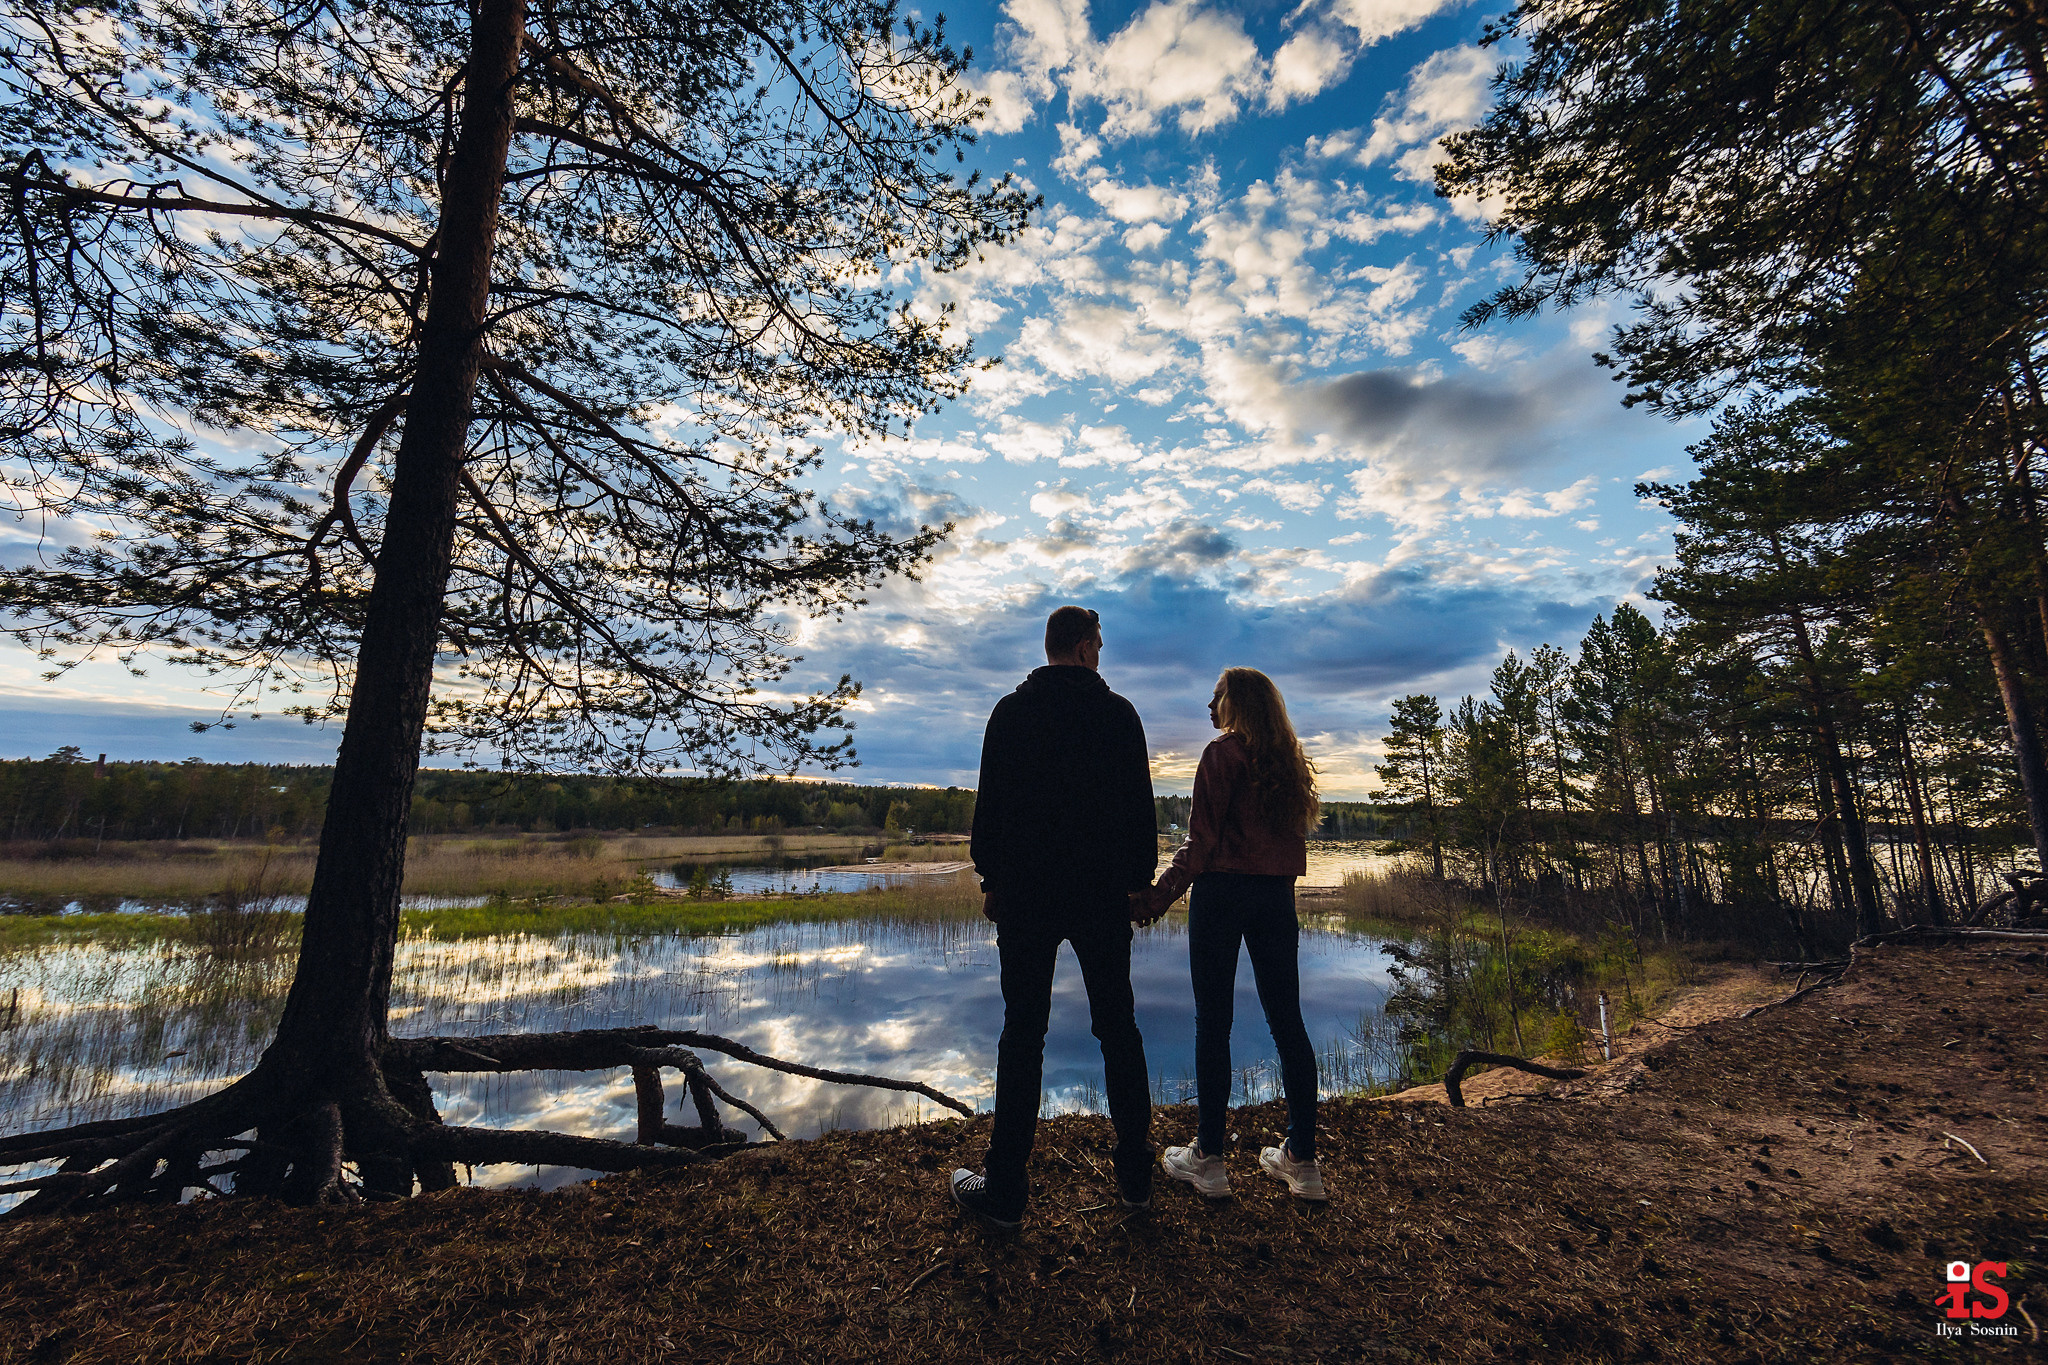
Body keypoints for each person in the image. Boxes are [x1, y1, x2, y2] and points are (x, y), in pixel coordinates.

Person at [949, 605, 1159, 1230]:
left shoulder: (1011, 713)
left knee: (1023, 1037)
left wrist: (994, 879)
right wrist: (1136, 884)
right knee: (1117, 1029)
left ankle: (1007, 1191)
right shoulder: (1119, 716)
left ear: (1048, 648)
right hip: (1100, 898)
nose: (1102, 653)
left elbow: (991, 816)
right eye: (1099, 643)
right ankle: (1136, 1181)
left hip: (1029, 899)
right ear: (1086, 648)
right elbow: (1139, 817)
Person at [1141, 666, 1326, 1202]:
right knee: (1288, 1022)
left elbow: (1199, 845)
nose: (1209, 704)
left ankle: (1210, 1158)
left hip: (1221, 896)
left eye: (1217, 695)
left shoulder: (1220, 756)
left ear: (1238, 702)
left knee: (1213, 1022)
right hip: (1274, 899)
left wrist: (1157, 897)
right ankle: (1303, 1161)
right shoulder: (1288, 766)